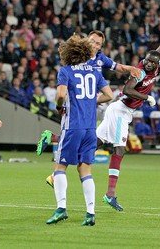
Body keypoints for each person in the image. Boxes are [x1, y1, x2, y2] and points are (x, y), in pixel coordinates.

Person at [38, 15, 160, 211]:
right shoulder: (141, 71)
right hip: (120, 110)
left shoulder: (153, 60)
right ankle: (110, 194)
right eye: (147, 62)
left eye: (153, 63)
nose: (150, 65)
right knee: (119, 148)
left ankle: (53, 140)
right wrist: (147, 98)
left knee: (93, 142)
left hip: (117, 109)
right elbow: (127, 90)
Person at [45, 34, 114, 226]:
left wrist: (59, 106)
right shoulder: (94, 71)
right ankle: (90, 213)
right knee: (85, 170)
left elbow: (60, 94)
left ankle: (61, 209)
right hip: (91, 128)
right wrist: (91, 100)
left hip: (72, 125)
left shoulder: (65, 71)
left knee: (59, 167)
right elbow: (109, 95)